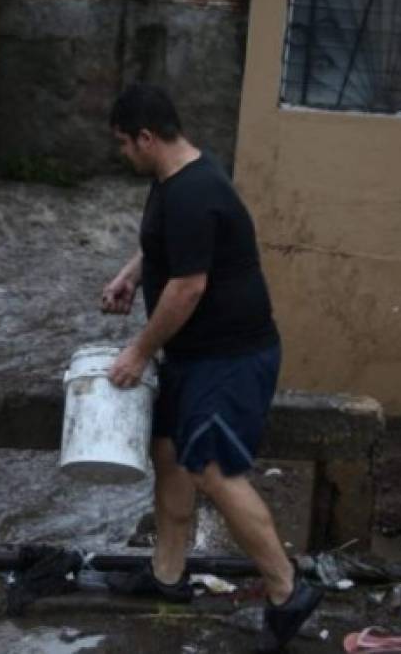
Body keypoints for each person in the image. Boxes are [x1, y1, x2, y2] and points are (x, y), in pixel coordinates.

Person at [99, 83, 321, 651]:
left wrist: (139, 351)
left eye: (125, 144)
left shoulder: (195, 191)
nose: (124, 154)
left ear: (148, 138)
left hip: (230, 357)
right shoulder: (176, 178)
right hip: (195, 354)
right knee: (169, 452)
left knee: (213, 468)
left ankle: (285, 588)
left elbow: (190, 285)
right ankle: (168, 575)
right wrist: (131, 272)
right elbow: (168, 249)